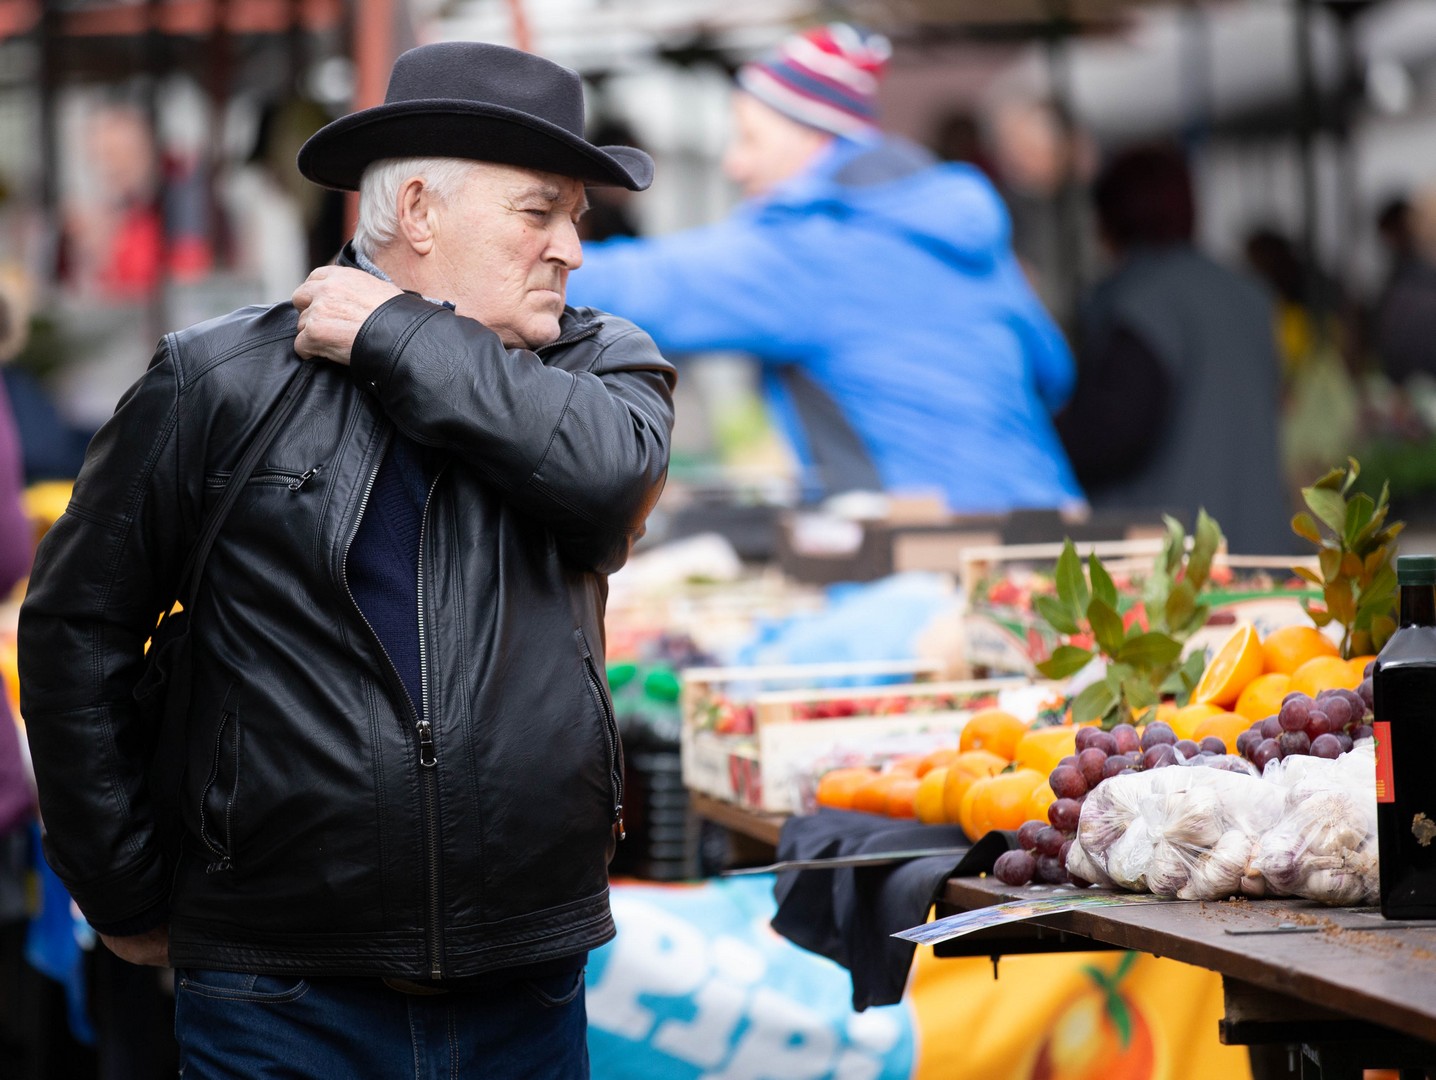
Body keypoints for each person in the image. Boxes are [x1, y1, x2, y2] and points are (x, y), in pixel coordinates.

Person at [18, 39, 675, 1079]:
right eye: (538, 211)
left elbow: (605, 478)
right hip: (276, 990)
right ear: (418, 211)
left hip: (524, 979)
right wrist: (125, 891)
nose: (571, 250)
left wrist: (400, 335)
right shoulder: (220, 381)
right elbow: (72, 637)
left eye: (576, 219)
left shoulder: (601, 364)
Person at [564, 23, 1082, 513]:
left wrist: (513, 251)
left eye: (749, 138)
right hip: (1057, 529)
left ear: (812, 139)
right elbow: (1054, 373)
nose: (734, 164)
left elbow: (644, 285)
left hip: (942, 551)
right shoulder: (959, 227)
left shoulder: (811, 250)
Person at [1055, 144, 1290, 554]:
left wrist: (1041, 427)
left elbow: (1114, 433)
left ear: (1111, 217)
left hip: (1177, 564)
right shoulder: (1249, 295)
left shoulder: (1138, 301)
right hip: (1263, 544)